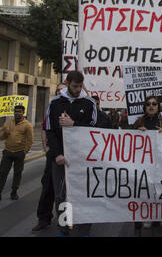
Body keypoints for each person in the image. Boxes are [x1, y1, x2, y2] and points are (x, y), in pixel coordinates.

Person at [45, 71, 97, 236]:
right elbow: (50, 130)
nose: (78, 89)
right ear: (67, 83)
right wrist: (56, 154)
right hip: (61, 158)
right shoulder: (55, 103)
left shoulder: (89, 103)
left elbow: (96, 129)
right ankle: (63, 229)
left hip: (83, 158)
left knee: (85, 194)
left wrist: (74, 123)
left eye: (80, 86)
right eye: (75, 86)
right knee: (61, 196)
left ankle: (84, 230)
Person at [32, 83, 66, 232]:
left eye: (62, 89)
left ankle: (66, 221)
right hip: (53, 155)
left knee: (67, 191)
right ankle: (44, 218)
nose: (59, 92)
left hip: (70, 155)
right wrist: (47, 150)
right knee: (48, 187)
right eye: (57, 90)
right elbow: (45, 130)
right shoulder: (52, 108)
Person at [133, 96, 162, 230]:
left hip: (160, 162)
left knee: (159, 188)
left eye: (154, 104)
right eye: (148, 104)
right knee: (145, 189)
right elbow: (129, 139)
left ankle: (159, 215)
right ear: (145, 107)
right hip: (143, 162)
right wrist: (137, 132)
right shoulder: (139, 122)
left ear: (158, 107)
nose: (151, 106)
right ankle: (146, 215)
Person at [0, 105, 34, 203]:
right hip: (7, 152)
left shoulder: (27, 125)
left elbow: (30, 140)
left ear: (23, 113)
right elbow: (0, 137)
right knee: (2, 173)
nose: (17, 113)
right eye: (15, 111)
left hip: (19, 153)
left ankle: (14, 191)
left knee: (17, 173)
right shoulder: (8, 122)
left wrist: (24, 152)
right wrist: (5, 133)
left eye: (19, 111)